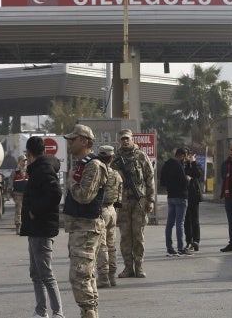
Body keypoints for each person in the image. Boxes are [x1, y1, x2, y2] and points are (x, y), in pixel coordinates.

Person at [62, 124, 108, 318]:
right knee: (86, 276)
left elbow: (84, 196)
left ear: (84, 141)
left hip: (87, 228)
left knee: (79, 276)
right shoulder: (82, 164)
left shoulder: (94, 166)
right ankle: (89, 313)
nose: (70, 143)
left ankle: (89, 312)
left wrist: (71, 181)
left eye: (73, 139)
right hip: (80, 228)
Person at [20, 136, 64, 318]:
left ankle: (57, 312)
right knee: (35, 273)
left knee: (45, 273)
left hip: (41, 228)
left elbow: (55, 193)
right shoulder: (38, 169)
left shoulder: (43, 170)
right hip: (35, 228)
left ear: (28, 153)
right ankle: (41, 311)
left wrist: (34, 212)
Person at [112, 129, 155, 278]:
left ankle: (139, 266)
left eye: (127, 138)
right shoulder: (115, 158)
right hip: (123, 202)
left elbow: (150, 178)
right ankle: (128, 267)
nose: (125, 141)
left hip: (139, 201)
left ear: (132, 139)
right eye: (122, 138)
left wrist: (151, 200)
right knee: (125, 236)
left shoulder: (140, 156)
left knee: (138, 235)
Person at [95, 145, 123, 288]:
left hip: (101, 211)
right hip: (112, 211)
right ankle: (112, 276)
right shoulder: (116, 174)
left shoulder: (99, 173)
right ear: (112, 158)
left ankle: (104, 277)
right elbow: (120, 195)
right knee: (112, 246)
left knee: (102, 246)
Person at [160, 147, 192, 256]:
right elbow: (184, 182)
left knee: (169, 223)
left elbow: (162, 181)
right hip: (181, 197)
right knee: (180, 223)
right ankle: (180, 248)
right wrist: (187, 179)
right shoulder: (179, 165)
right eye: (185, 156)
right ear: (182, 155)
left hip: (170, 196)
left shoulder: (167, 164)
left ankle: (169, 247)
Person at [184, 152, 203, 252]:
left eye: (189, 155)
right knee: (187, 220)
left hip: (194, 195)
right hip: (185, 195)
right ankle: (188, 241)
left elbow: (198, 174)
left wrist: (193, 163)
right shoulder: (183, 164)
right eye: (186, 155)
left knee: (195, 219)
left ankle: (196, 241)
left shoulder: (196, 164)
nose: (187, 157)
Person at [11, 155, 28, 235]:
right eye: (23, 160)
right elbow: (11, 182)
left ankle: (26, 227)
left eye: (25, 160)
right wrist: (8, 192)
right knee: (18, 210)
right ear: (19, 162)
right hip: (18, 194)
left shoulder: (29, 171)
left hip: (28, 194)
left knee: (27, 210)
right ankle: (18, 227)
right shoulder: (16, 171)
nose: (24, 162)